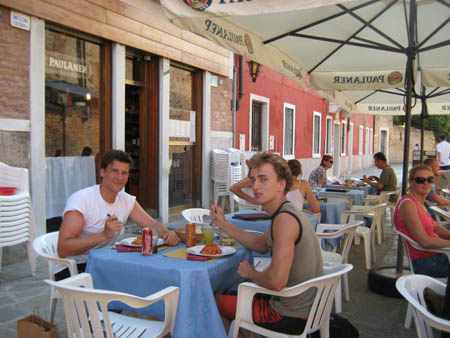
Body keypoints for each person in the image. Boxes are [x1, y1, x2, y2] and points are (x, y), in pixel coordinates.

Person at [210, 152, 323, 335]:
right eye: (253, 180)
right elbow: (261, 244)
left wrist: (251, 273)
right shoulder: (283, 212)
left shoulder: (285, 220)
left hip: (288, 313)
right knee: (230, 293)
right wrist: (223, 224)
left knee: (213, 300)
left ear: (281, 185)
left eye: (263, 180)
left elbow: (276, 282)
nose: (255, 186)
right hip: (302, 305)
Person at [57, 149, 179, 280]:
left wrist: (167, 234)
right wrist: (104, 235)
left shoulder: (126, 200)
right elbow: (63, 249)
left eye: (124, 173)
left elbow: (152, 225)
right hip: (74, 267)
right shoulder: (82, 200)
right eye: (115, 172)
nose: (119, 178)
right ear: (102, 172)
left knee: (151, 276)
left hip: (104, 262)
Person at [394, 164, 450, 278]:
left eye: (430, 180)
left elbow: (436, 228)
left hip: (438, 254)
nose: (426, 183)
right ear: (411, 182)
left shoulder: (419, 202)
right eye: (420, 180)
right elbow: (424, 241)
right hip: (426, 262)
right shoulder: (408, 205)